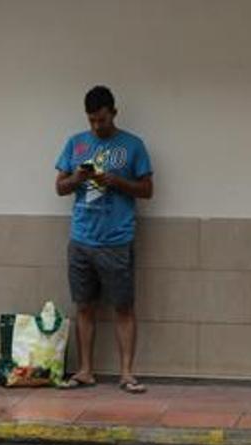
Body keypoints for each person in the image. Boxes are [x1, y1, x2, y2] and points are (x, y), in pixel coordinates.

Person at [55, 85, 153, 394]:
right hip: (82, 238)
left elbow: (147, 189)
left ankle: (126, 373)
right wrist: (77, 179)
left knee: (123, 306)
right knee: (84, 306)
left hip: (116, 239)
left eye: (102, 119)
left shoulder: (133, 146)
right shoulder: (76, 144)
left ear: (114, 113)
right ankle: (86, 371)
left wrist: (117, 182)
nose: (97, 126)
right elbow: (59, 187)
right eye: (92, 120)